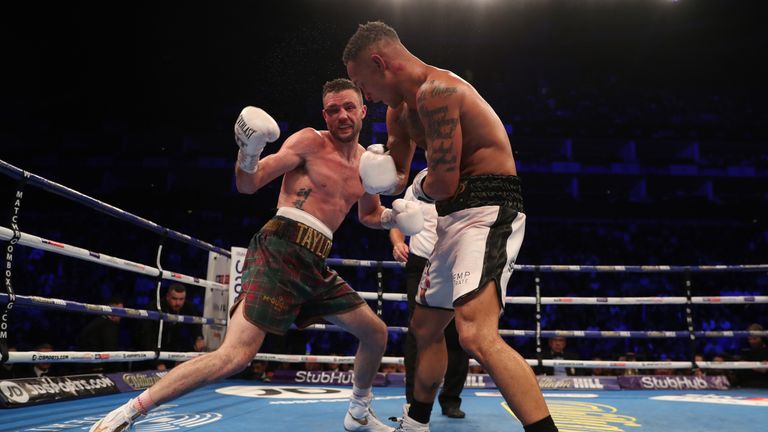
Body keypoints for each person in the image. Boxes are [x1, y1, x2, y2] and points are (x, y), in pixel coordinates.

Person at [89, 77, 424, 432]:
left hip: (316, 260)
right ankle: (129, 411)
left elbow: (368, 214)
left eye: (348, 107)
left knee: (376, 333)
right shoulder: (309, 141)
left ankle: (358, 413)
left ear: (362, 110)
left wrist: (393, 217)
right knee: (234, 356)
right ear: (324, 115)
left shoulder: (367, 163)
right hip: (280, 248)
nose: (341, 115)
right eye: (333, 109)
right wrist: (248, 152)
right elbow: (249, 184)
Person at [344, 21, 557, 432]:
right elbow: (399, 178)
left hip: (489, 208)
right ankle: (416, 422)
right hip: (450, 216)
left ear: (379, 62)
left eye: (361, 82)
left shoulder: (437, 93)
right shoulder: (397, 112)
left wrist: (416, 193)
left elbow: (442, 182)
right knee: (425, 328)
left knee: (475, 334)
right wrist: (371, 175)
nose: (363, 95)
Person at [389, 178, 469, 419]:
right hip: (421, 261)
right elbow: (397, 218)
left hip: (456, 262)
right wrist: (397, 242)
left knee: (458, 333)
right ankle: (414, 402)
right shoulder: (418, 183)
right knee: (418, 333)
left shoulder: (466, 180)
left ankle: (451, 399)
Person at [136, 283, 205, 370]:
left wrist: (198, 337)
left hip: (175, 351)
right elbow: (147, 336)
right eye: (174, 299)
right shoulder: (155, 308)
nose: (178, 303)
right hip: (154, 351)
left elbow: (196, 324)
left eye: (181, 299)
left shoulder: (189, 308)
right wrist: (158, 362)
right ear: (168, 296)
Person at [77, 295, 126, 373]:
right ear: (112, 309)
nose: (122, 315)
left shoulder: (97, 321)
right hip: (97, 369)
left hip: (86, 366)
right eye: (120, 311)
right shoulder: (108, 325)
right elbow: (111, 351)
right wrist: (119, 372)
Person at [735, 323, 768, 388]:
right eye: (749, 339)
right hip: (745, 384)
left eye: (754, 338)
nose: (751, 341)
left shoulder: (766, 350)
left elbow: (763, 369)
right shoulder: (746, 350)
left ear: (761, 338)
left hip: (764, 385)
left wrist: (745, 364)